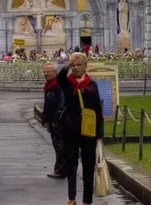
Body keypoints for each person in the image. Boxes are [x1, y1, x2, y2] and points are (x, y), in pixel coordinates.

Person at [57, 52, 104, 205]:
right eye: (74, 65)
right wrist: (68, 64)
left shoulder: (92, 84)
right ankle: (71, 198)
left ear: (85, 67)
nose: (76, 68)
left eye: (79, 65)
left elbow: (98, 109)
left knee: (88, 165)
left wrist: (100, 133)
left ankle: (87, 200)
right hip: (71, 129)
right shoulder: (67, 82)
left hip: (89, 130)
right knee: (72, 164)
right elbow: (59, 78)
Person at [42, 62, 66, 179]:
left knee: (59, 146)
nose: (46, 73)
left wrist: (57, 119)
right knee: (58, 146)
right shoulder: (49, 85)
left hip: (58, 122)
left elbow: (61, 104)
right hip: (52, 120)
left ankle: (60, 170)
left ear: (55, 73)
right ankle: (60, 169)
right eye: (45, 71)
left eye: (48, 71)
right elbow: (48, 104)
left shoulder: (57, 86)